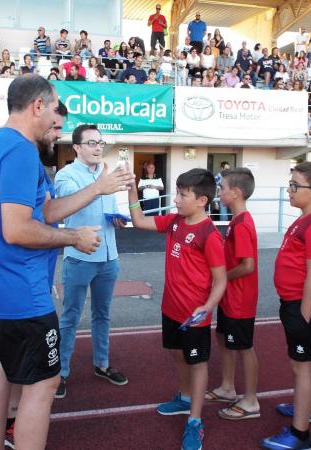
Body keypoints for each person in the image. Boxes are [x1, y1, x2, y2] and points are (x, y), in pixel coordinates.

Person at [0, 76, 117, 450]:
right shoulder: (21, 151)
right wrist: (74, 237)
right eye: (54, 108)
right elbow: (17, 229)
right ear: (37, 106)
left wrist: (97, 189)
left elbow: (41, 211)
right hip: (23, 292)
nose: (55, 120)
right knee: (43, 383)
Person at [128, 167, 226, 450]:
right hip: (170, 308)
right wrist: (132, 189)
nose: (176, 200)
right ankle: (184, 398)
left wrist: (207, 307)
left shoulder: (209, 235)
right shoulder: (174, 221)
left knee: (197, 364)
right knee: (176, 353)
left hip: (194, 316)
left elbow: (220, 281)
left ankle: (195, 420)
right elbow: (138, 221)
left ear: (201, 201)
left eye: (182, 195)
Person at [261, 162, 311, 450]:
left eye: (295, 185)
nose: (289, 190)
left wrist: (302, 319)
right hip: (296, 303)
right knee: (306, 361)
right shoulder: (305, 219)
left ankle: (300, 435)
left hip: (306, 306)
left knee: (301, 365)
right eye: (290, 184)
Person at [53, 124, 132, 399]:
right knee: (70, 316)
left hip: (109, 257)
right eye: (92, 143)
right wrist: (100, 187)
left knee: (103, 314)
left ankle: (102, 364)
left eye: (101, 142)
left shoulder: (105, 175)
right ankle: (60, 372)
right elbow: (69, 204)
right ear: (76, 147)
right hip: (80, 257)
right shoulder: (66, 175)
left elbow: (106, 210)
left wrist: (118, 218)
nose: (99, 147)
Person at [206, 168, 260, 421]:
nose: (220, 192)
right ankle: (228, 387)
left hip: (240, 300)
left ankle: (251, 400)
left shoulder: (242, 224)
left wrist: (221, 278)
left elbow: (248, 265)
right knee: (224, 340)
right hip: (230, 298)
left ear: (236, 193)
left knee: (244, 348)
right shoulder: (236, 221)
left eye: (223, 188)